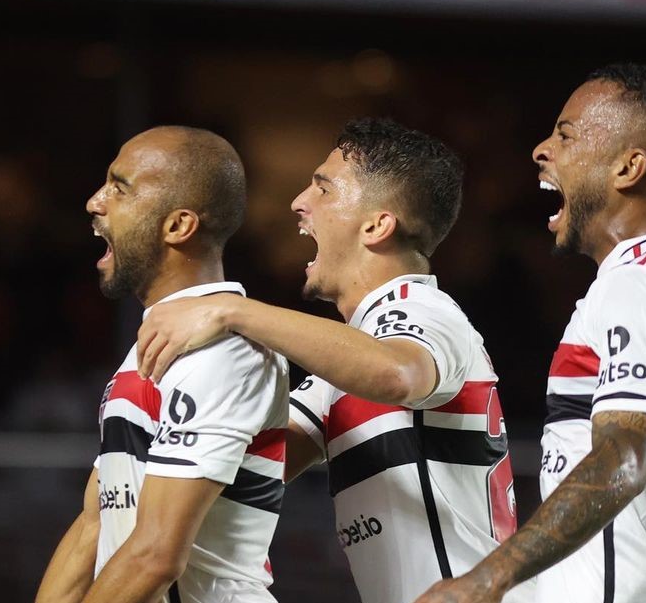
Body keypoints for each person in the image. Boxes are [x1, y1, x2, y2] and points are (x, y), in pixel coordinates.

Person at [137, 119, 532, 603]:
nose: (299, 202)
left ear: (377, 224)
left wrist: (231, 310)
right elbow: (248, 468)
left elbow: (397, 372)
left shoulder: (422, 309)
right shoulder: (350, 360)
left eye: (323, 188)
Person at [414, 63, 646, 603]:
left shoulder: (643, 280)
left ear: (630, 166)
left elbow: (622, 457)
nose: (541, 150)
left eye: (565, 134)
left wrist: (488, 579)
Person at [33, 126, 290, 603]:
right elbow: (96, 522)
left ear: (178, 226)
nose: (94, 202)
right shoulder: (159, 339)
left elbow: (155, 557)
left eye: (119, 187)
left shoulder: (227, 351)